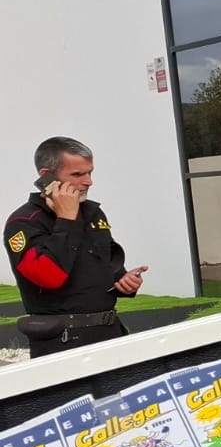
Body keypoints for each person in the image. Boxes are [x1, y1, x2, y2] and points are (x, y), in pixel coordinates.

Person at [6, 137, 146, 358]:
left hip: (108, 333)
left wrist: (124, 281)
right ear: (46, 176)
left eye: (90, 172)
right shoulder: (24, 222)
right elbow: (48, 276)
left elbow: (107, 264)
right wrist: (66, 220)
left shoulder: (92, 213)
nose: (88, 181)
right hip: (61, 341)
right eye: (77, 174)